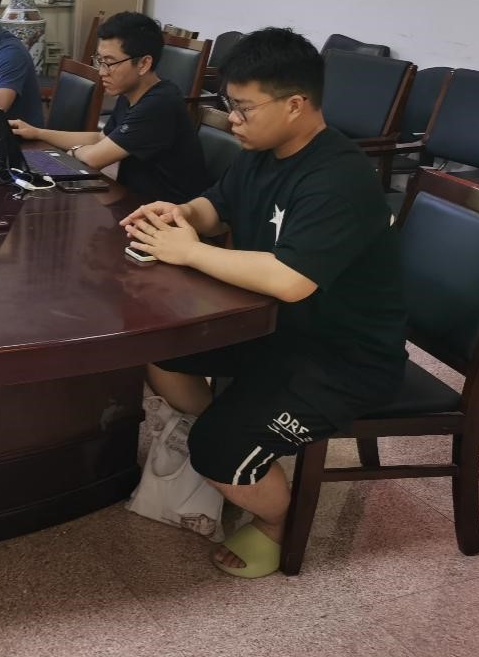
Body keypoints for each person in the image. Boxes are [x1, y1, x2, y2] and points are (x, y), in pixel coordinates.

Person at [120, 28, 407, 579]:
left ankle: (279, 521)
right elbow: (216, 206)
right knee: (161, 351)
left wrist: (189, 251)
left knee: (217, 449)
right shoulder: (263, 151)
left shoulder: (339, 178)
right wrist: (180, 215)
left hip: (344, 358)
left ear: (295, 105)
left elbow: (292, 280)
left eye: (244, 108)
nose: (233, 120)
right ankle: (237, 438)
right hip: (272, 328)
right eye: (229, 105)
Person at [8, 12, 209, 202]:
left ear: (144, 64)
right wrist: (37, 133)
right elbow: (100, 139)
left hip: (168, 214)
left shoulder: (159, 104)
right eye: (100, 61)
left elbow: (93, 159)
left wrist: (74, 152)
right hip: (136, 202)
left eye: (110, 63)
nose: (102, 72)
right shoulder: (131, 92)